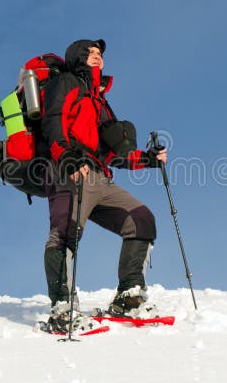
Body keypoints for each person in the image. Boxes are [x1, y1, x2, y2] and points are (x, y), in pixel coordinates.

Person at [40, 38, 167, 333]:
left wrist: (147, 159)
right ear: (77, 56)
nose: (97, 57)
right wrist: (67, 158)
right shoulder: (66, 83)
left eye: (100, 54)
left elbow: (112, 152)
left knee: (141, 219)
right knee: (64, 234)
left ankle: (128, 297)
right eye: (91, 53)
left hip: (98, 175)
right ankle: (62, 309)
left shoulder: (99, 100)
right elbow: (53, 122)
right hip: (66, 170)